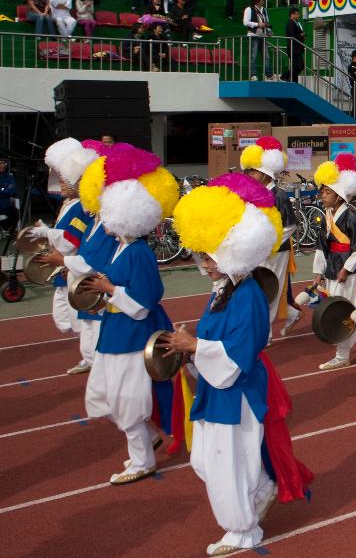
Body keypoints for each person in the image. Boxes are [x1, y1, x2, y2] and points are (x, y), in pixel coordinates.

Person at [166, 175, 313, 556]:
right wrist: (191, 348)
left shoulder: (246, 296)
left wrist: (194, 345)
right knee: (205, 460)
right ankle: (262, 488)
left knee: (225, 462)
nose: (204, 262)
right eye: (203, 253)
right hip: (220, 388)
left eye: (210, 253)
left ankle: (243, 530)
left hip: (238, 389)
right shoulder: (224, 290)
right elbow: (216, 343)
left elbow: (239, 354)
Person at [65, 144, 178, 484]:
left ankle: (142, 458)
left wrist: (109, 291)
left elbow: (145, 302)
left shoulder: (139, 253)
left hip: (131, 335)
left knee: (126, 402)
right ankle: (145, 441)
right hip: (115, 330)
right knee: (100, 396)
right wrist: (105, 294)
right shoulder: (122, 247)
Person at [31, 139, 99, 372]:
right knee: (67, 319)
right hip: (66, 267)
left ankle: (92, 359)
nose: (59, 180)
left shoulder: (81, 206)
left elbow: (72, 239)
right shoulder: (69, 203)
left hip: (75, 267)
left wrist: (48, 233)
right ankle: (90, 357)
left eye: (64, 177)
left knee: (82, 320)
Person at [310, 154, 356, 370]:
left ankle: (342, 354)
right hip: (331, 267)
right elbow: (321, 247)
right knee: (342, 307)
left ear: (339, 196)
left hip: (347, 269)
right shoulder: (327, 215)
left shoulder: (353, 218)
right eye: (323, 191)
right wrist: (318, 271)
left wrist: (346, 269)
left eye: (327, 192)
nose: (322, 196)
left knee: (342, 310)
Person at [239, 137, 301, 339]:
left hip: (275, 251)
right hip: (256, 250)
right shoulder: (252, 194)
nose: (248, 175)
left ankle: (264, 334)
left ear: (266, 173)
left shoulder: (279, 195)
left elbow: (290, 226)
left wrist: (267, 244)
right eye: (247, 170)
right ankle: (292, 312)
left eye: (253, 171)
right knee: (257, 289)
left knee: (269, 289)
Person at [243, 0, 271, 80]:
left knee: (266, 56)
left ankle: (268, 75)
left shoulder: (264, 10)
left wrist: (269, 30)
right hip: (253, 35)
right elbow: (245, 22)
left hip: (263, 36)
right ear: (258, 0)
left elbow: (266, 22)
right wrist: (257, 24)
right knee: (253, 56)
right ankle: (253, 75)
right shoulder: (249, 9)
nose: (264, 1)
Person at [285, 7, 305, 82]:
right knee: (298, 66)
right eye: (297, 14)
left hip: (297, 49)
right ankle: (286, 76)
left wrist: (302, 35)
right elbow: (292, 36)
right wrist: (301, 35)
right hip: (293, 49)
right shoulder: (290, 23)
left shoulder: (296, 23)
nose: (298, 16)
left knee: (297, 67)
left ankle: (293, 81)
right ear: (292, 15)